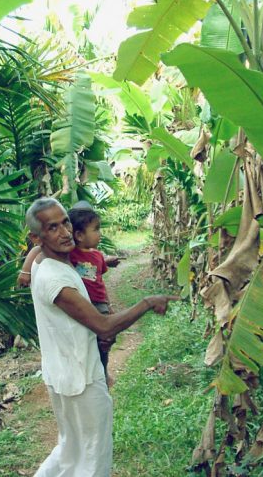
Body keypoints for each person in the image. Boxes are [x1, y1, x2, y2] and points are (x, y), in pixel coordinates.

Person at [25, 197, 178, 477]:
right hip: (81, 378)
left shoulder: (50, 264)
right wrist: (146, 302)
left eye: (65, 222)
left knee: (70, 448)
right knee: (93, 456)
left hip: (64, 374)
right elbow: (104, 326)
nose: (64, 232)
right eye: (52, 228)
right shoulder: (54, 278)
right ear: (36, 237)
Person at [18, 201, 120, 382]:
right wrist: (25, 271)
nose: (99, 234)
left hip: (97, 303)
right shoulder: (70, 252)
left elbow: (100, 281)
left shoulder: (97, 255)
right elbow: (36, 250)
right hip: (79, 301)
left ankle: (102, 371)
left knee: (106, 339)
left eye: (66, 224)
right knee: (95, 335)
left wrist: (108, 305)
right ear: (80, 235)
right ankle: (94, 371)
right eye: (95, 230)